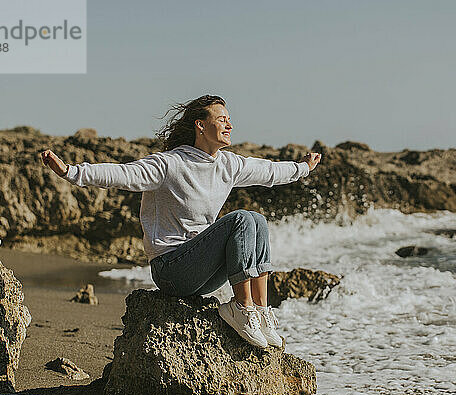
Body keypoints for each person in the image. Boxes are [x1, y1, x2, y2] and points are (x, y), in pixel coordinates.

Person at [40, 95, 321, 348]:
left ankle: (259, 311)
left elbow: (268, 170)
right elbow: (122, 175)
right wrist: (71, 172)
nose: (230, 125)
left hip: (203, 274)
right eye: (222, 119)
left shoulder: (228, 164)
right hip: (171, 271)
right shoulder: (170, 165)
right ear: (200, 126)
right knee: (241, 220)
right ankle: (241, 307)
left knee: (256, 220)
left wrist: (302, 168)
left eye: (229, 119)